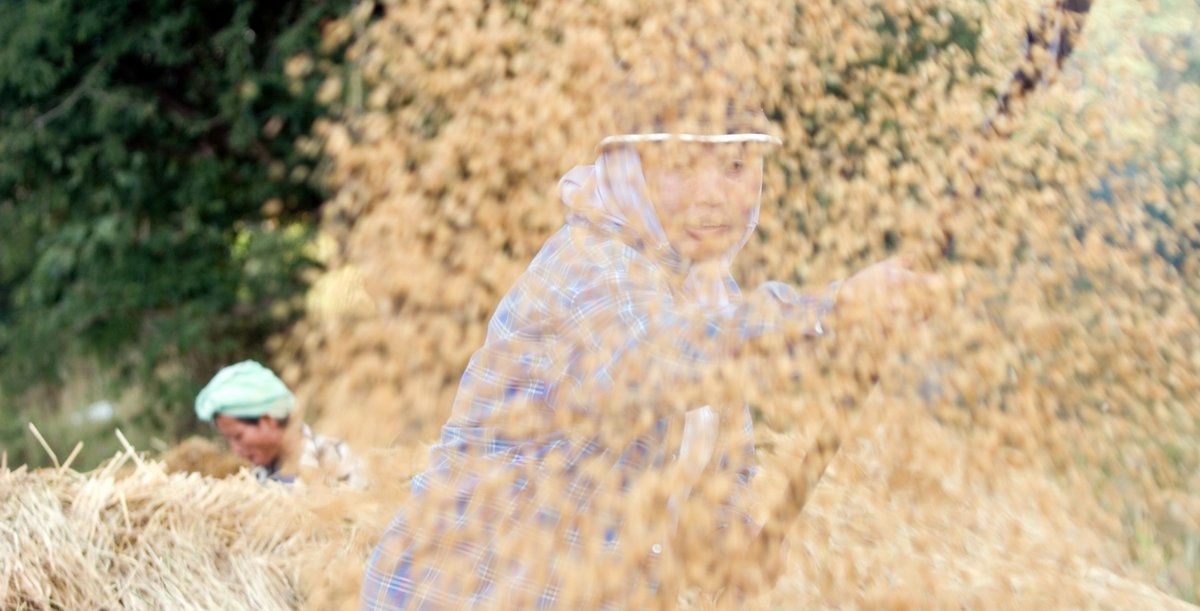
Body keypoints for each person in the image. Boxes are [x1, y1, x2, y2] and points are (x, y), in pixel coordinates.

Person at [359, 101, 924, 609]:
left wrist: (727, 537)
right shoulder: (592, 267)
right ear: (630, 173)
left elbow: (717, 469)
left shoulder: (709, 291)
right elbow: (661, 367)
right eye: (680, 167)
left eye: (735, 167)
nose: (712, 194)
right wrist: (829, 312)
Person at [195, 359, 368, 490]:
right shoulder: (258, 476)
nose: (236, 450)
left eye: (238, 436)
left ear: (268, 421)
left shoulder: (336, 460)